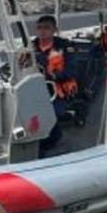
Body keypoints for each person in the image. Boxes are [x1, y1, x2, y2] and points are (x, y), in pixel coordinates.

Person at [32, 15, 77, 151]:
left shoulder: (65, 47)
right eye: (39, 28)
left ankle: (52, 142)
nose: (42, 31)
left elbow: (73, 69)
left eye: (47, 28)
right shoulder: (30, 47)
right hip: (34, 89)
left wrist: (54, 75)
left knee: (49, 114)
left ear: (54, 30)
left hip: (58, 90)